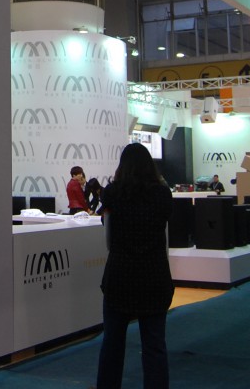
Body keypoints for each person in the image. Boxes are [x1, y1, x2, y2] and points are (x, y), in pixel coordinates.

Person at [96, 143, 173, 389]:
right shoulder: (163, 194)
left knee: (112, 344)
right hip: (154, 276)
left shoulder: (112, 193)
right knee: (154, 346)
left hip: (120, 275)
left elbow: (108, 239)